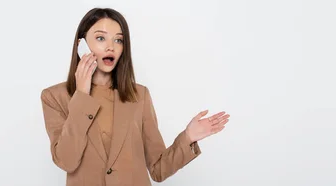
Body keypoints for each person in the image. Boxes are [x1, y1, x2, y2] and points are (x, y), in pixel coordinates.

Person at [39, 7, 230, 185]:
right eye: (100, 38)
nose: (111, 47)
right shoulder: (54, 97)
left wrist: (188, 137)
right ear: (81, 45)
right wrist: (81, 94)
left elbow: (158, 170)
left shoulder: (139, 95)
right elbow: (66, 160)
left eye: (118, 40)